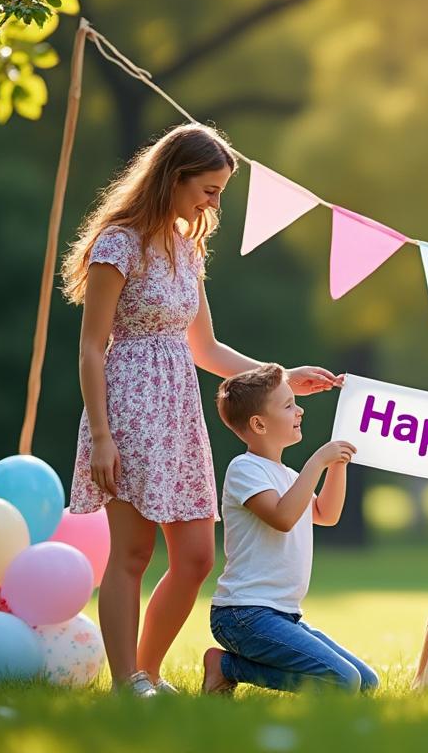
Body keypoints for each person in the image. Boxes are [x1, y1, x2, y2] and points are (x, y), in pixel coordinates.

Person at [61, 123, 341, 696]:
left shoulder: (186, 248)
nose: (214, 202)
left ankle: (148, 671)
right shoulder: (119, 244)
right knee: (134, 551)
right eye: (208, 189)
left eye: (219, 192)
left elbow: (206, 349)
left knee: (194, 557)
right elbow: (92, 347)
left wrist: (282, 376)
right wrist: (104, 437)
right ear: (175, 177)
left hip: (178, 410)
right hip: (129, 407)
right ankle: (126, 683)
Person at [201, 363, 376, 694]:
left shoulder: (289, 476)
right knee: (344, 681)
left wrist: (337, 465)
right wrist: (317, 462)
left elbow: (326, 513)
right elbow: (282, 518)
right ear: (258, 424)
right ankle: (226, 666)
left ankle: (228, 666)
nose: (300, 409)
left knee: (366, 682)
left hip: (282, 615)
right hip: (243, 615)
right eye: (288, 404)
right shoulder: (245, 469)